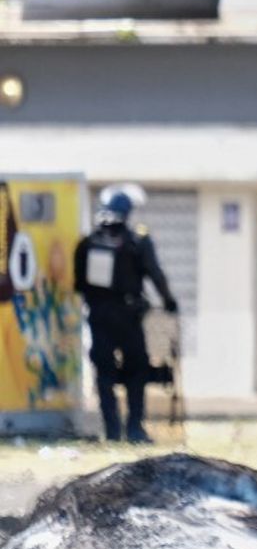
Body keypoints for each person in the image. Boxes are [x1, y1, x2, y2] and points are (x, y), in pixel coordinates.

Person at [73, 185, 177, 443]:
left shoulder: (88, 243)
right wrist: (169, 301)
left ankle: (111, 431)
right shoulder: (137, 242)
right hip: (129, 317)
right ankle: (134, 429)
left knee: (104, 373)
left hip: (99, 317)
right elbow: (155, 274)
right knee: (136, 371)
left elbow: (78, 284)